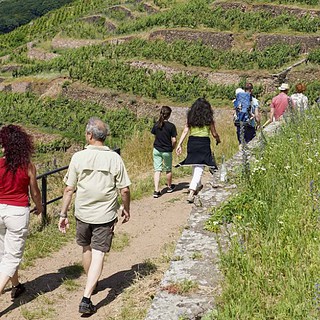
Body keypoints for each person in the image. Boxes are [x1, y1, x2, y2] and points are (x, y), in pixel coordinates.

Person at [58, 117, 131, 315]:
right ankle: (86, 297)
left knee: (86, 248)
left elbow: (68, 189)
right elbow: (124, 190)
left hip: (82, 212)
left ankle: (91, 283)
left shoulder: (78, 157)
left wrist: (63, 213)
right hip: (105, 215)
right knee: (99, 253)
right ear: (104, 137)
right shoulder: (114, 158)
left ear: (89, 135)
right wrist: (126, 209)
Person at [0, 125, 42, 300]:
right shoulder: (28, 166)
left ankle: (16, 285)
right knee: (12, 256)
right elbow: (34, 192)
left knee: (4, 252)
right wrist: (39, 207)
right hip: (17, 212)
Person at [176, 98, 221, 204]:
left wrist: (180, 144)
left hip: (192, 142)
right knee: (200, 166)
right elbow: (214, 133)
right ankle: (192, 190)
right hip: (204, 143)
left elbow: (186, 130)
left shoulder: (190, 118)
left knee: (195, 163)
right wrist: (218, 139)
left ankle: (199, 185)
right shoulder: (209, 119)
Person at [151, 106, 177, 198]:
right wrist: (173, 147)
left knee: (157, 170)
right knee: (168, 169)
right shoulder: (171, 126)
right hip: (167, 150)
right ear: (169, 115)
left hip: (156, 149)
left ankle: (156, 190)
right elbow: (174, 140)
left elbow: (155, 136)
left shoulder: (156, 124)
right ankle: (169, 187)